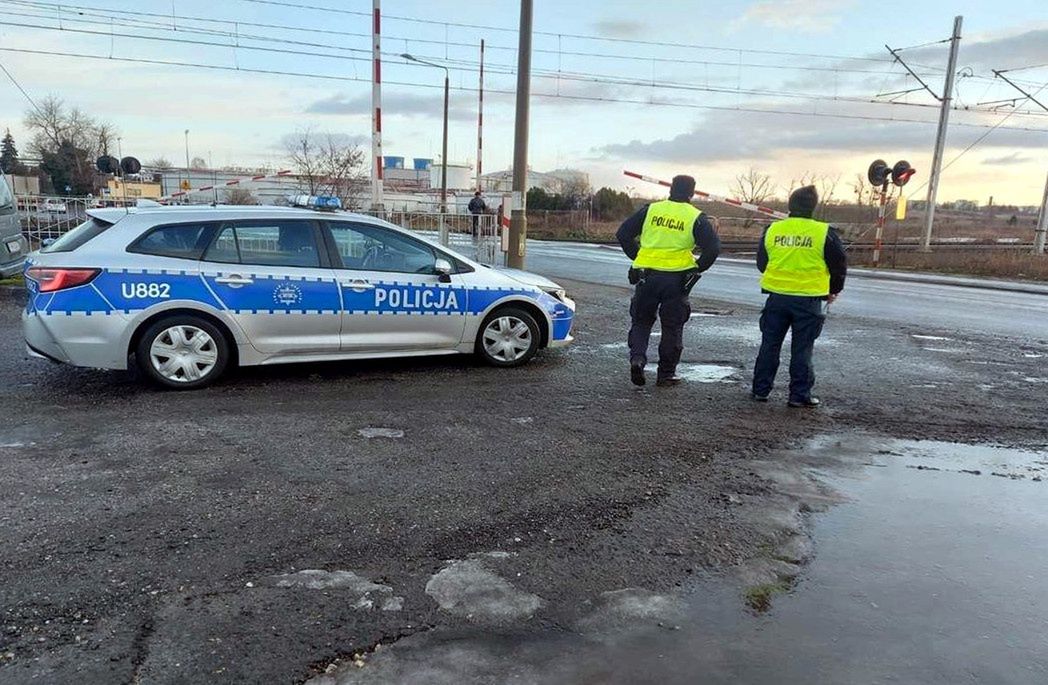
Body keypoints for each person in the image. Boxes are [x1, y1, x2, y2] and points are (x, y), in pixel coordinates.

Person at [616, 174, 721, 387]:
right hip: (677, 280)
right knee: (672, 327)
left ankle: (637, 359)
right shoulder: (696, 217)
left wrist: (638, 257)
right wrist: (697, 268)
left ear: (671, 189)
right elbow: (713, 248)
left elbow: (623, 234)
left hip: (646, 276)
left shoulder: (651, 210)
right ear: (692, 192)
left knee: (641, 321)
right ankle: (665, 374)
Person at [751, 185, 847, 408]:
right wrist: (834, 291)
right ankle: (799, 395)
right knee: (802, 348)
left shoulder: (773, 230)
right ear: (813, 206)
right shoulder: (824, 233)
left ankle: (760, 390)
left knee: (769, 345)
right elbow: (839, 265)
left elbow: (762, 263)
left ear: (789, 205)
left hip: (776, 297)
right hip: (810, 300)